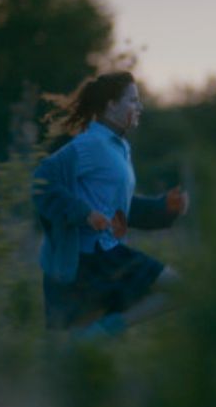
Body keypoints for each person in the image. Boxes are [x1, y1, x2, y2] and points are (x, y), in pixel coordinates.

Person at [32, 71, 188, 340]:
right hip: (86, 261)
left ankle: (105, 330)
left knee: (178, 290)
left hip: (107, 254)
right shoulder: (89, 145)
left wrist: (165, 208)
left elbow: (121, 209)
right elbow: (42, 182)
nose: (139, 107)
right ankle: (101, 333)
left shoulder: (119, 147)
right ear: (110, 105)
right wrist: (84, 213)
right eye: (132, 100)